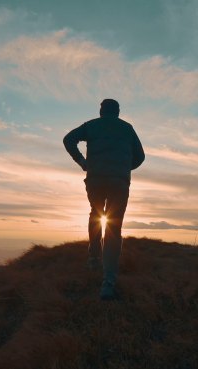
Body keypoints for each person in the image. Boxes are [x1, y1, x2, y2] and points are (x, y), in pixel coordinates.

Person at [63, 98, 145, 300]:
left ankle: (93, 258)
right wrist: (124, 167)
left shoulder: (91, 125)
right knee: (114, 226)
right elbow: (141, 156)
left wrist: (82, 161)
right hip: (119, 182)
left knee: (96, 213)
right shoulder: (127, 128)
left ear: (101, 111)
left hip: (95, 179)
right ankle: (108, 282)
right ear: (117, 112)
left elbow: (68, 139)